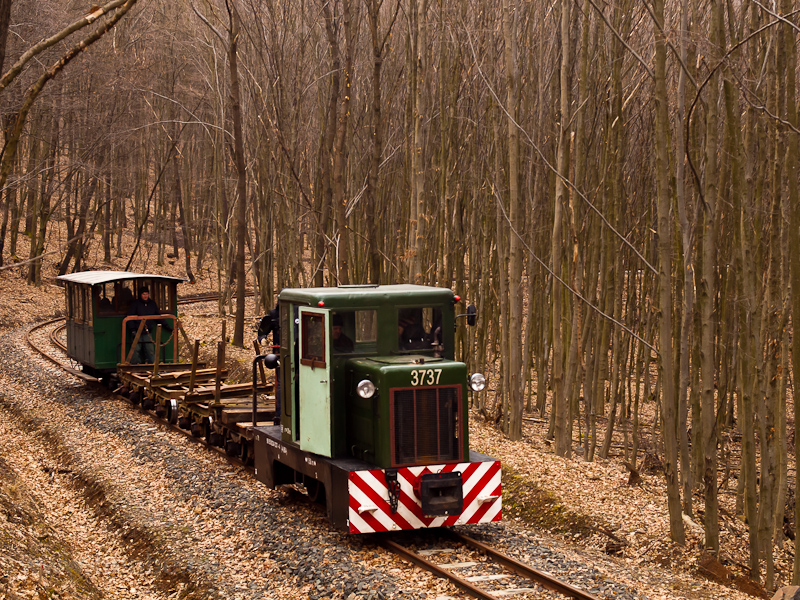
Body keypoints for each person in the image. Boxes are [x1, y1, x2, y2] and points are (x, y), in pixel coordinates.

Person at [127, 286, 170, 364]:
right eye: (143, 294)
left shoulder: (152, 304)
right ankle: (135, 366)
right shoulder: (135, 304)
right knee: (135, 350)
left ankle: (152, 366)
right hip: (137, 331)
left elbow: (158, 317)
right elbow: (130, 317)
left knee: (150, 350)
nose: (145, 296)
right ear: (140, 295)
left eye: (147, 294)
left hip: (147, 332)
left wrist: (167, 327)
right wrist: (132, 329)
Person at [258, 303, 282, 426]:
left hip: (299, 353)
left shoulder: (297, 312)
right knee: (281, 384)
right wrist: (263, 339)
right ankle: (280, 414)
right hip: (280, 355)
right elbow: (262, 331)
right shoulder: (273, 315)